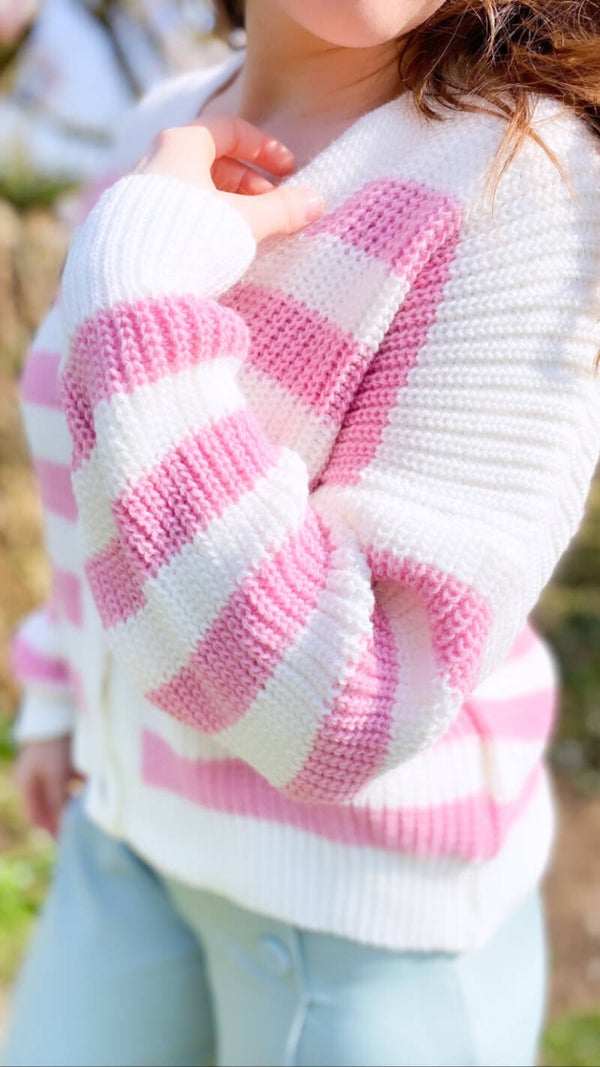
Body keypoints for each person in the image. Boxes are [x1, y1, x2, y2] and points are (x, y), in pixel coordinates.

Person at [4, 2, 600, 1065]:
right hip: (126, 833)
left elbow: (350, 704)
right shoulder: (167, 120)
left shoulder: (530, 185)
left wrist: (140, 296)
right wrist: (60, 686)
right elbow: (93, 462)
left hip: (357, 919)